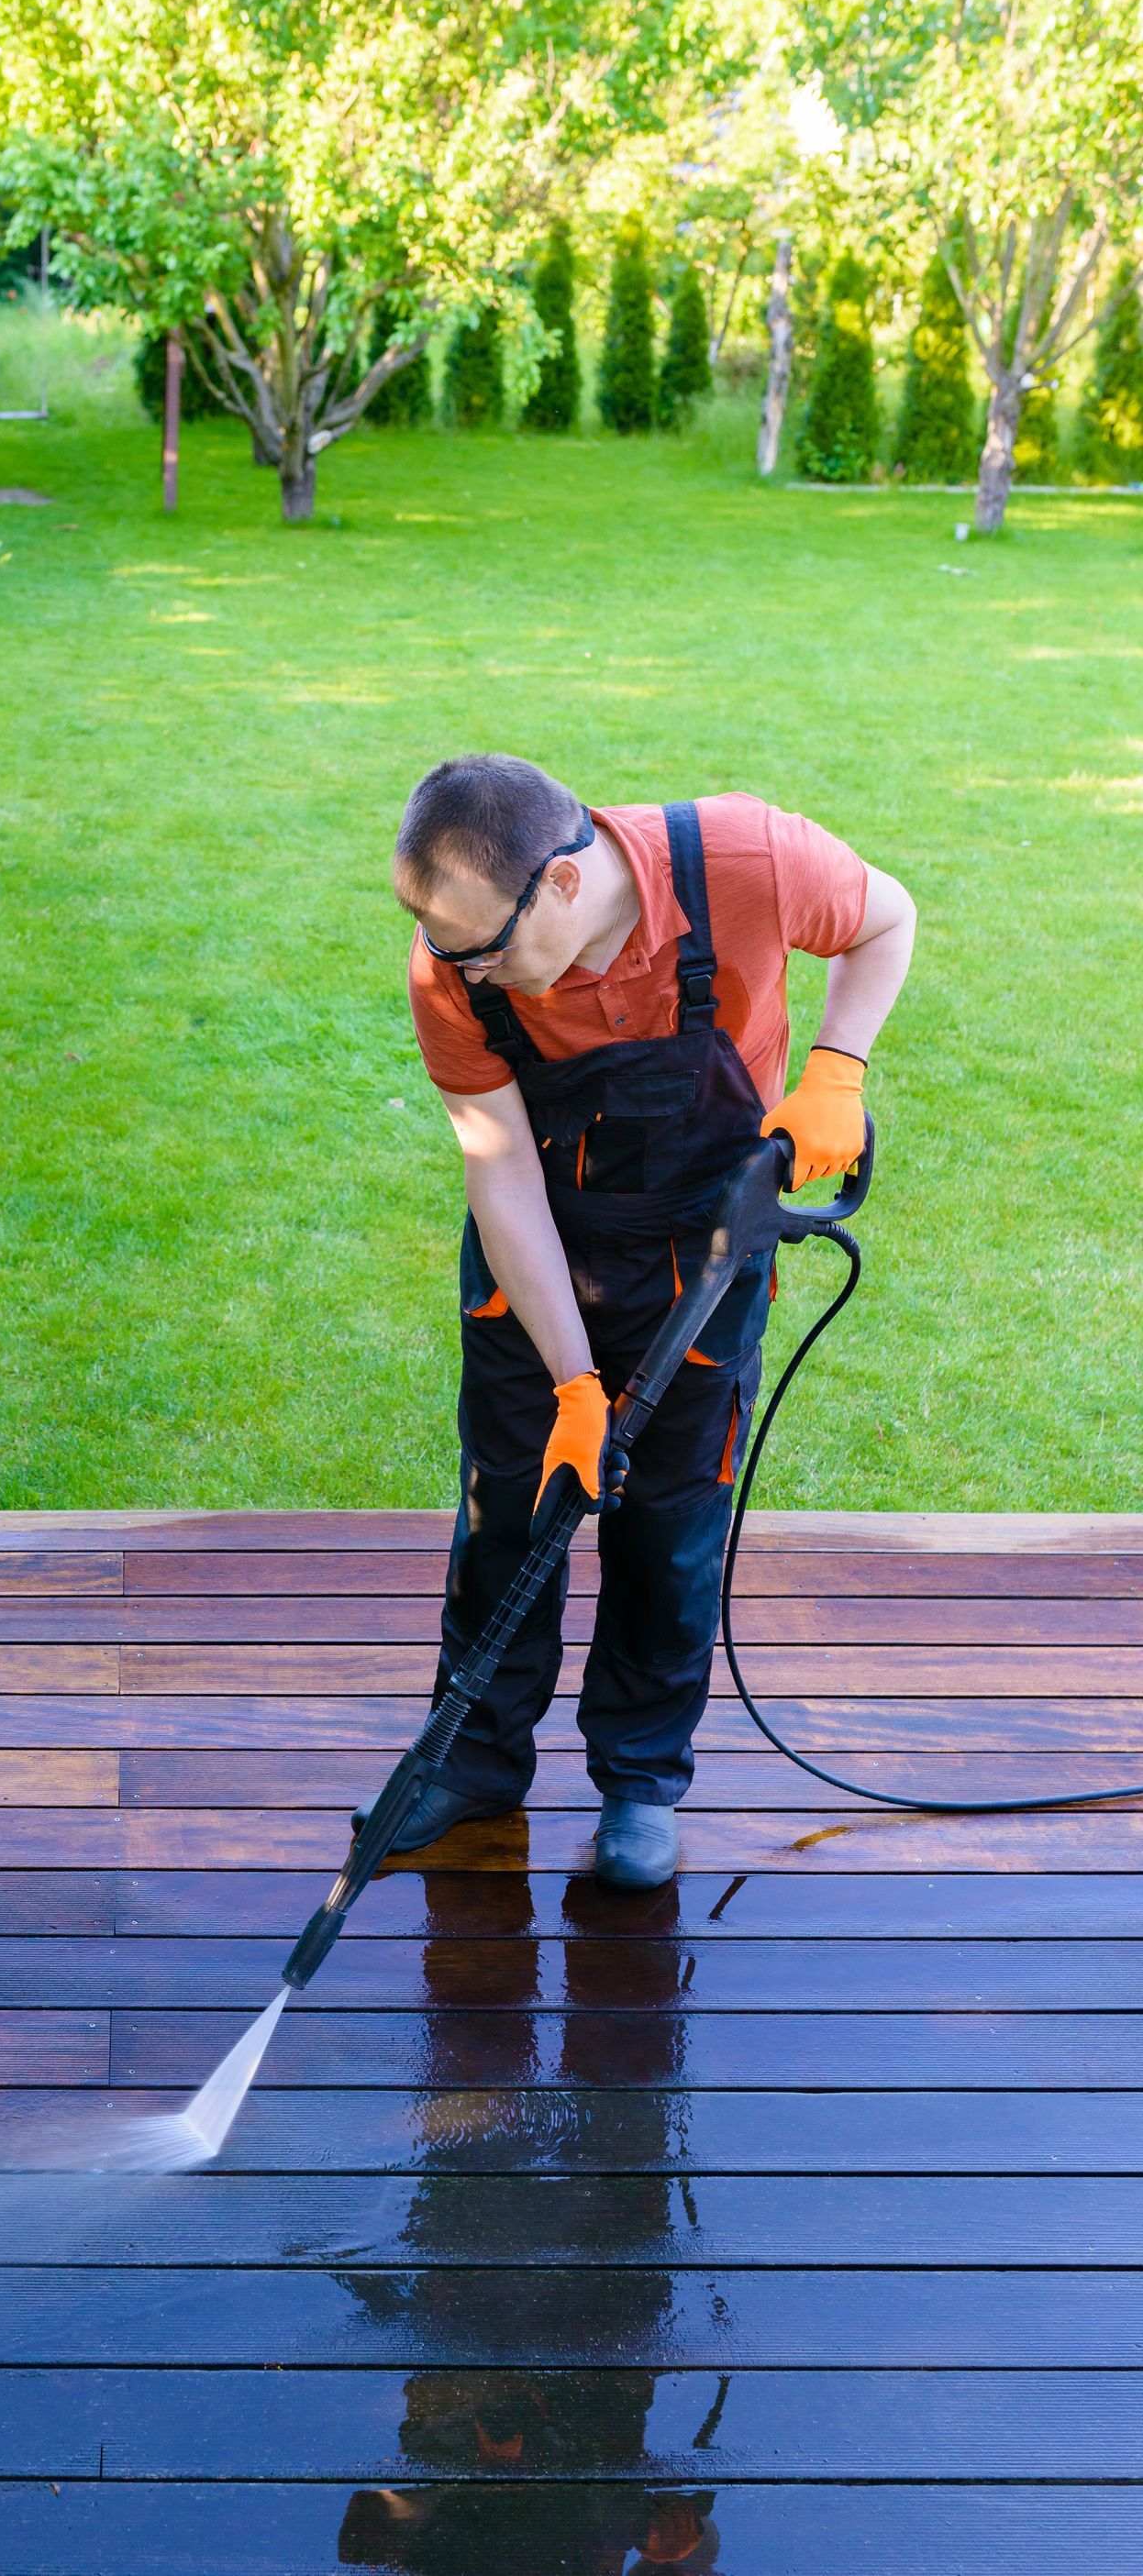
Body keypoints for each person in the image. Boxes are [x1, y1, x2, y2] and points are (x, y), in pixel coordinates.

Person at [373, 757, 915, 1888]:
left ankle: (637, 1780)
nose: (464, 968)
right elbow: (502, 1173)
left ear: (563, 884)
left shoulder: (747, 862)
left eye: (485, 946)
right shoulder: (453, 969)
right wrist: (574, 1379)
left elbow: (886, 917)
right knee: (508, 1512)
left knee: (669, 1531)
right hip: (540, 1257)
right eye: (446, 945)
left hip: (707, 1254)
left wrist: (837, 1068)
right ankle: (470, 1760)